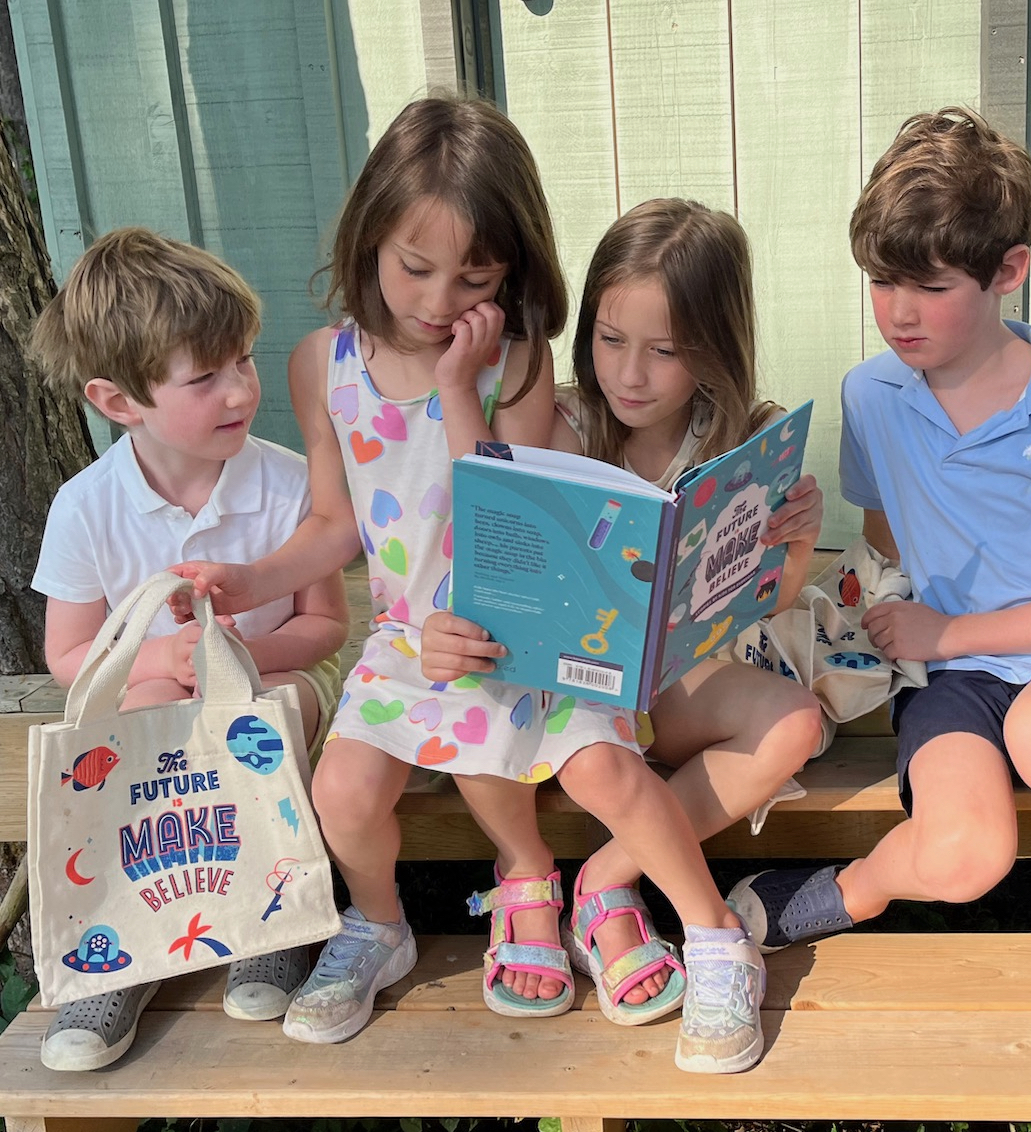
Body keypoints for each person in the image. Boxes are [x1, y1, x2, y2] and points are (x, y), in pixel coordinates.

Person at [729, 108, 1031, 997]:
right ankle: (849, 891)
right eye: (880, 281)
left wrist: (947, 631)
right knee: (961, 856)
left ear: (1008, 272)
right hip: (953, 676)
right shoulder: (871, 396)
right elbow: (883, 535)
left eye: (932, 286)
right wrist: (856, 613)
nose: (899, 312)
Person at [421, 198, 825, 1072]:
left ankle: (608, 876)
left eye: (666, 350)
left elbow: (770, 600)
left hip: (683, 684)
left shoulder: (747, 439)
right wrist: (459, 390)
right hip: (575, 690)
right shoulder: (567, 422)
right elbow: (489, 505)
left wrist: (791, 544)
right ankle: (642, 909)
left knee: (798, 723)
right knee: (582, 751)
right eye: (610, 340)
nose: (630, 374)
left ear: (713, 346)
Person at [29, 227, 349, 1070]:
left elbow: (327, 629)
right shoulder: (85, 507)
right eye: (204, 376)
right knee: (144, 718)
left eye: (242, 361)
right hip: (155, 702)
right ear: (118, 401)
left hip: (281, 677)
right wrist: (162, 663)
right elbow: (69, 655)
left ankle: (270, 922)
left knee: (256, 717)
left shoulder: (287, 483)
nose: (240, 388)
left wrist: (236, 653)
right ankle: (119, 954)